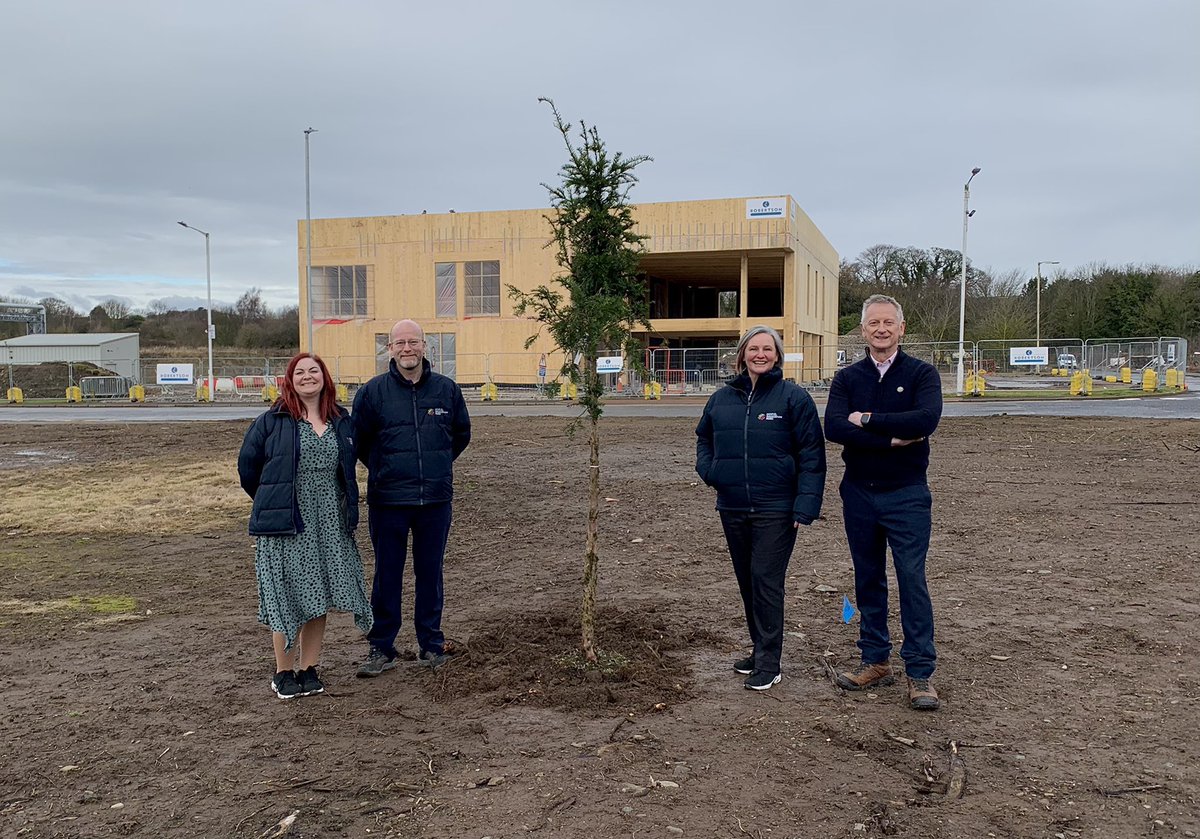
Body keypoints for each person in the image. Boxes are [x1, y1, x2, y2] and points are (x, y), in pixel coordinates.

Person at [824, 294, 944, 711]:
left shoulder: (922, 374)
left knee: (911, 579)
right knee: (868, 578)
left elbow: (925, 420)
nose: (880, 329)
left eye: (888, 323)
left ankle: (920, 673)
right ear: (862, 329)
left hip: (907, 493)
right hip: (858, 492)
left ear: (901, 328)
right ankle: (875, 660)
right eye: (873, 323)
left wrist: (869, 419)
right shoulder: (847, 378)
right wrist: (891, 437)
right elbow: (835, 426)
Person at [695, 325, 826, 691]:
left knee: (766, 581)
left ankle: (770, 662)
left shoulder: (793, 399)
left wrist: (805, 506)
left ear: (777, 355)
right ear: (742, 355)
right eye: (754, 348)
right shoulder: (721, 400)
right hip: (733, 505)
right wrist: (711, 472)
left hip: (777, 509)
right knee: (747, 581)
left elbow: (813, 456)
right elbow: (703, 438)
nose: (761, 354)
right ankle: (759, 647)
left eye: (768, 349)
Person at [237, 352, 372, 700]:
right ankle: (283, 672)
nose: (308, 377)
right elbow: (248, 469)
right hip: (286, 522)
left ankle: (309, 668)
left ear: (325, 378)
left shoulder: (341, 420)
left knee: (318, 593)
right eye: (300, 372)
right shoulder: (273, 420)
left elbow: (350, 466)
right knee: (286, 596)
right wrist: (275, 500)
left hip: (328, 521)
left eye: (314, 371)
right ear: (290, 379)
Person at [352, 319, 471, 676]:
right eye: (400, 342)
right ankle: (381, 647)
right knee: (387, 574)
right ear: (389, 349)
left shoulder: (447, 390)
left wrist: (432, 465)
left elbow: (460, 436)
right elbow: (359, 442)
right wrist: (388, 468)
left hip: (434, 500)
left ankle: (431, 644)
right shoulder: (373, 393)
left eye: (413, 342)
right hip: (388, 500)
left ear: (424, 346)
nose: (407, 348)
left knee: (430, 573)